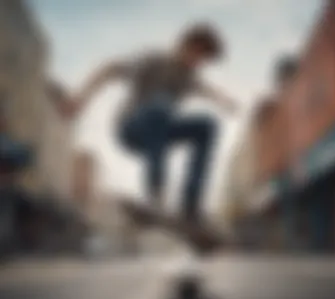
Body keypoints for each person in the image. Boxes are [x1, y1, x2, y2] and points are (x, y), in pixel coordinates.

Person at [67, 23, 239, 223]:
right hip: (130, 128)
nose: (197, 63)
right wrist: (79, 100)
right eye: (196, 55)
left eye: (203, 61)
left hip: (160, 133)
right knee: (161, 104)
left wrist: (225, 102)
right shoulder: (154, 60)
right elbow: (110, 69)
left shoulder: (189, 77)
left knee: (207, 126)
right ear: (183, 45)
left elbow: (206, 90)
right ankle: (155, 193)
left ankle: (190, 207)